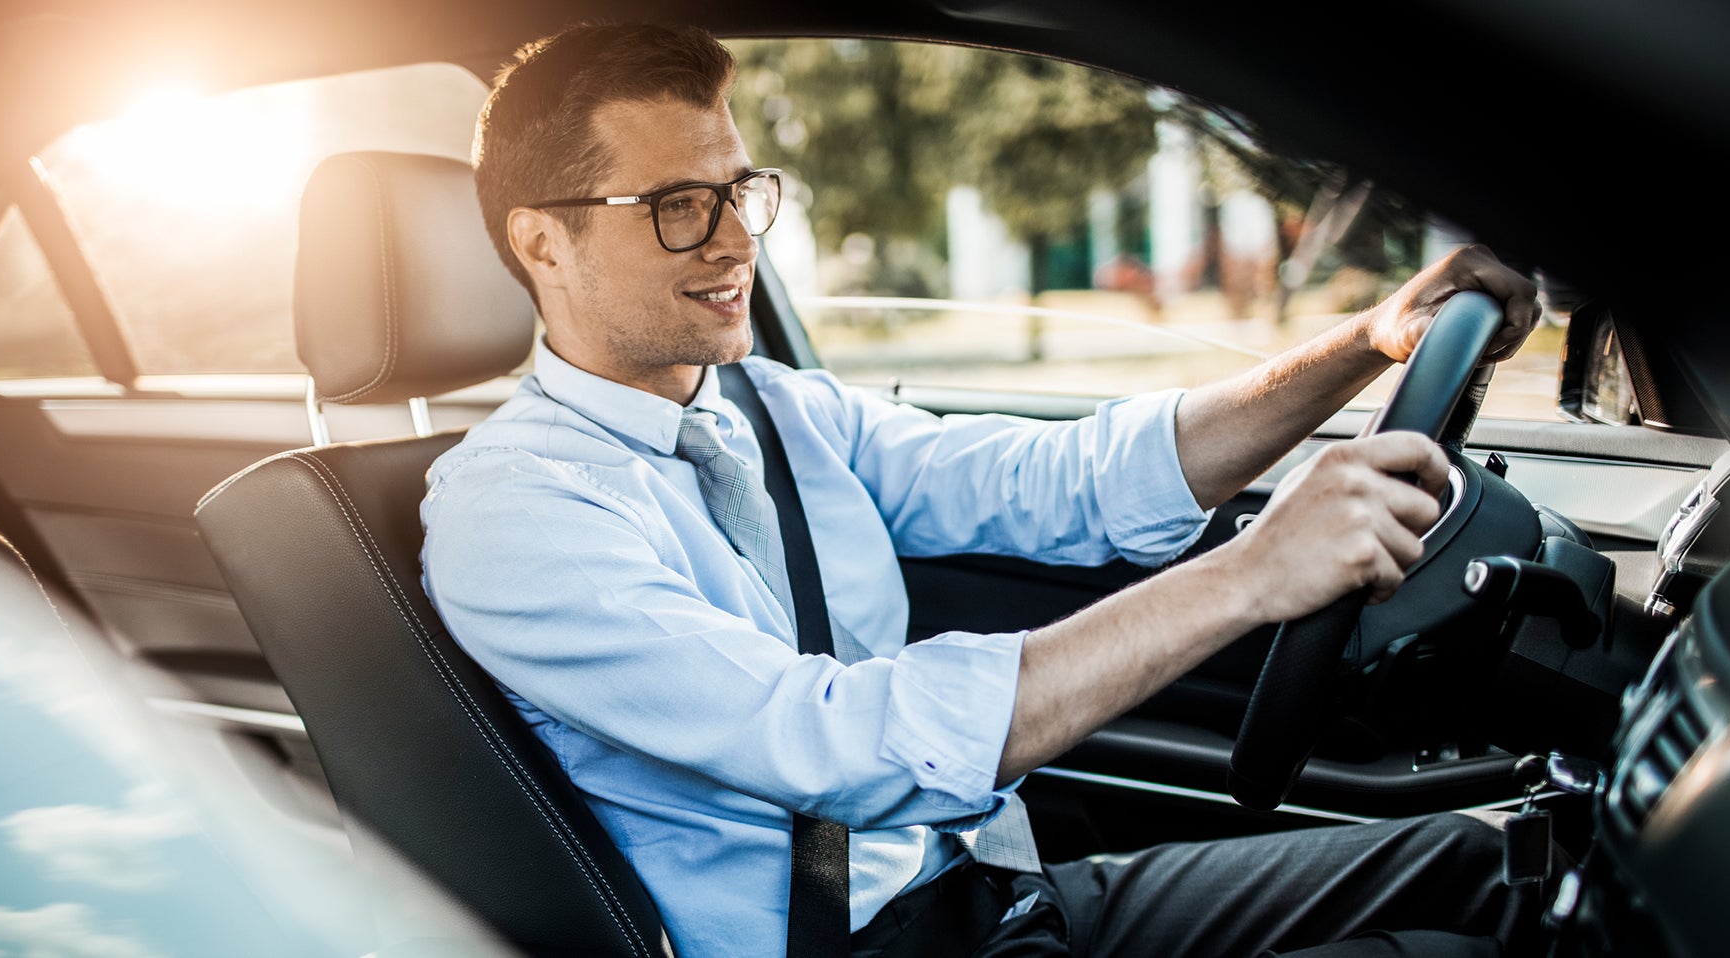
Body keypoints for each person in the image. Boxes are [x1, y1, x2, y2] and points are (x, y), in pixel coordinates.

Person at [421, 21, 1548, 958]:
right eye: (678, 205)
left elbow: (1071, 480)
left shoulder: (774, 409)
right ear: (542, 244)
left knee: (1500, 870)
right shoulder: (513, 514)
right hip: (861, 950)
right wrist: (1252, 574)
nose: (734, 243)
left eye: (740, 190)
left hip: (997, 899)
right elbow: (829, 739)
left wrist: (1365, 341)